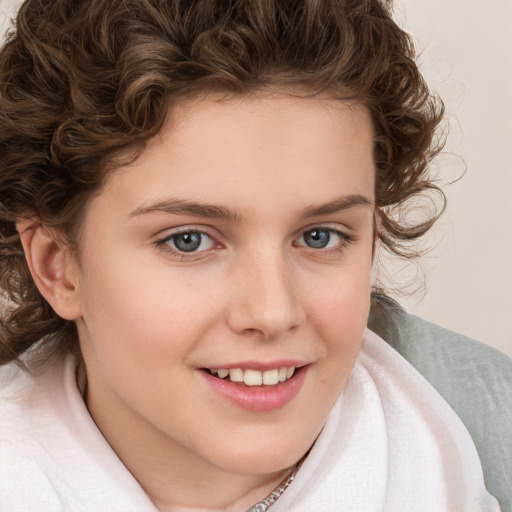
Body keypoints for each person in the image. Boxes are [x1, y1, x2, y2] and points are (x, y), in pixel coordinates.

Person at [0, 0, 507, 510]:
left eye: (319, 236)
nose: (273, 312)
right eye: (189, 240)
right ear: (57, 266)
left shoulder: (491, 433)